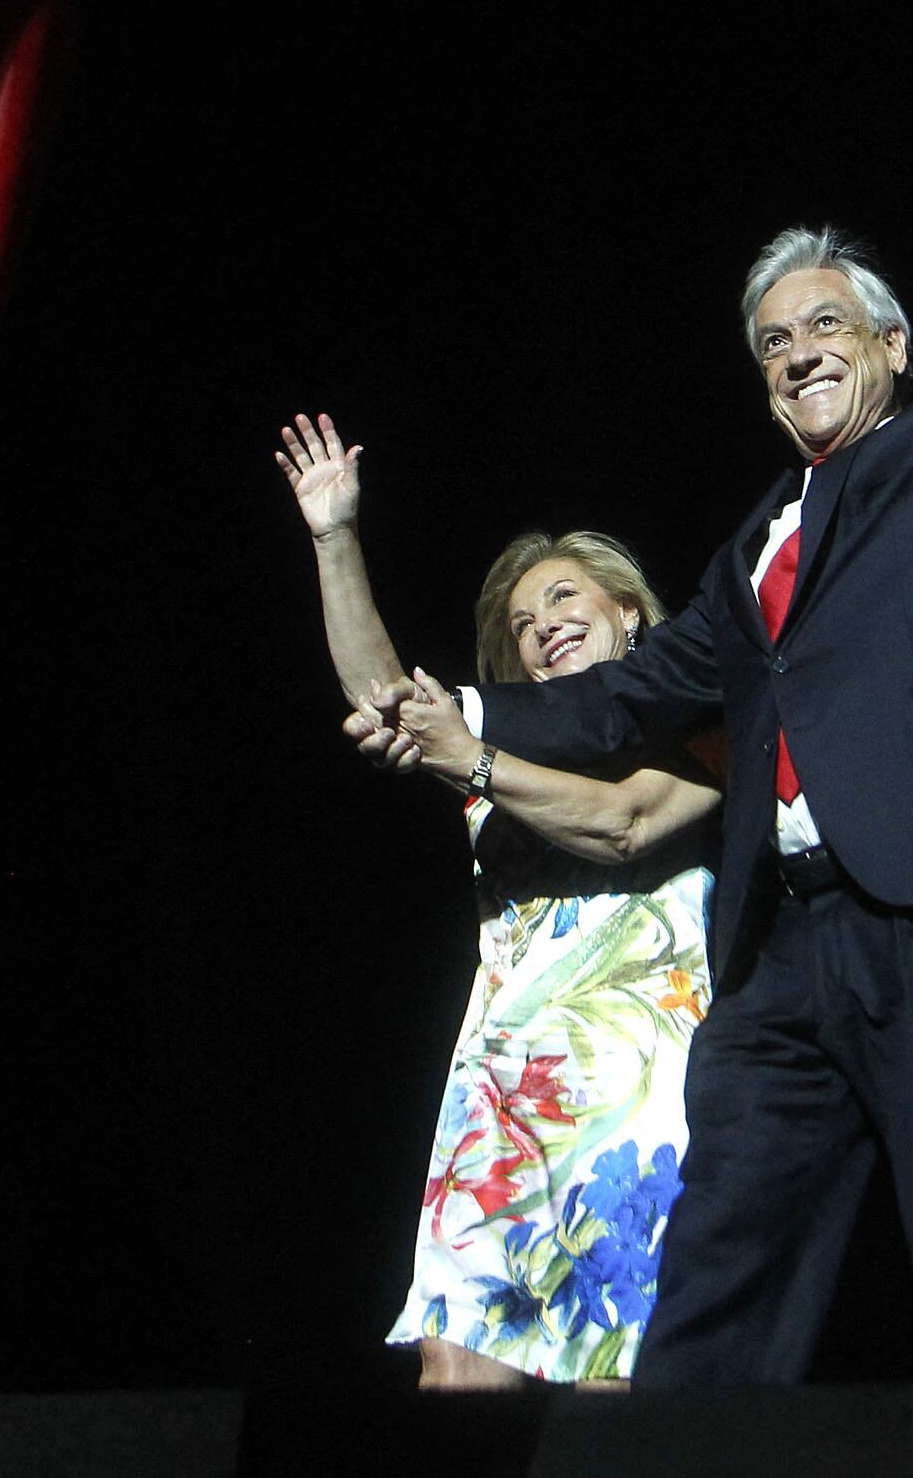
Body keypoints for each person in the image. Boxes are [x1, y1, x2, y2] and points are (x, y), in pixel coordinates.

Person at [349, 0, 913, 1383]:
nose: (798, 354)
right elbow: (630, 695)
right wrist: (456, 711)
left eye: (826, 326)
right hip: (786, 951)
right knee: (715, 1289)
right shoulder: (752, 545)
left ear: (891, 344)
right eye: (771, 343)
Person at [273, 416, 719, 1389]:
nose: (543, 619)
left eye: (564, 595)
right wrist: (334, 537)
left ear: (629, 612)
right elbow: (385, 699)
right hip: (504, 1090)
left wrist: (471, 757)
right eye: (522, 620)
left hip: (638, 1087)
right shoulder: (503, 749)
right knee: (457, 1365)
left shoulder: (708, 719)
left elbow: (626, 824)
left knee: (607, 1369)